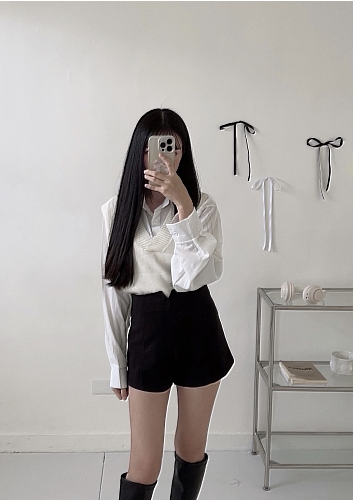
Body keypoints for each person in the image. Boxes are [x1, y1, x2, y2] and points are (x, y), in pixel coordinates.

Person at [101, 108, 235, 500]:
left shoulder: (203, 207)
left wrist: (183, 209)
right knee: (144, 464)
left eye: (171, 146)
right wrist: (116, 363)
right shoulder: (116, 211)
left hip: (198, 327)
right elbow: (114, 291)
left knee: (190, 449)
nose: (162, 156)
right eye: (153, 147)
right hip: (147, 332)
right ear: (139, 153)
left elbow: (190, 278)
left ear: (182, 152)